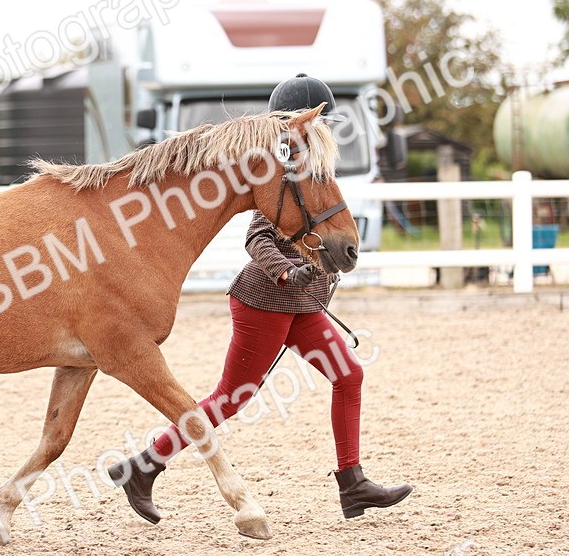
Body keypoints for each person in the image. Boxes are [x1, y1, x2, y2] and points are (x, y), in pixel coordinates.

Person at [107, 73, 412, 523]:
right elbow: (257, 238)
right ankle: (143, 466)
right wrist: (287, 271)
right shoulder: (279, 179)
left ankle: (352, 483)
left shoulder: (310, 172)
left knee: (348, 376)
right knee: (231, 398)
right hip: (265, 302)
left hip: (304, 306)